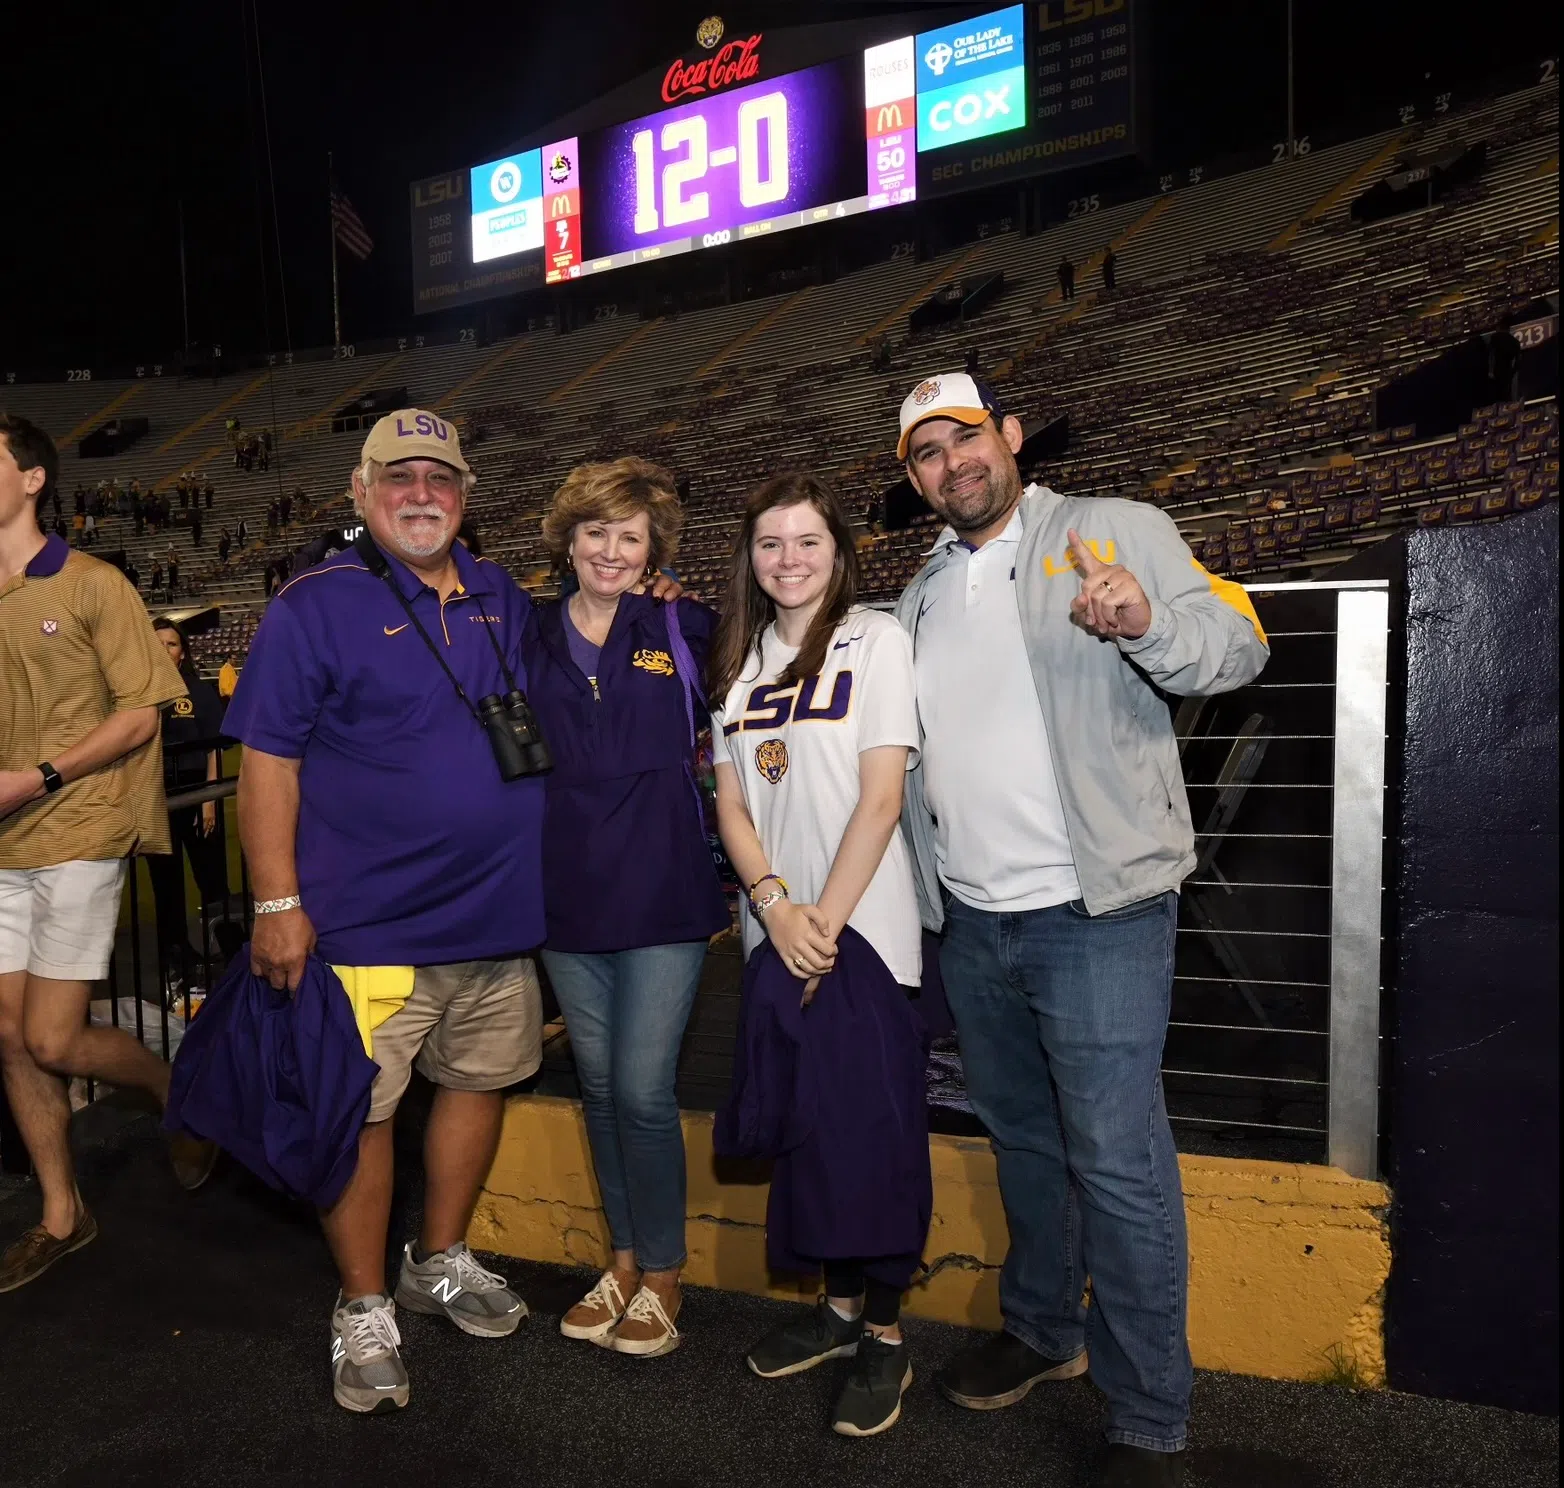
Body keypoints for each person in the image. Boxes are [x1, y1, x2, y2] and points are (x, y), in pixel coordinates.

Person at [891, 373, 1270, 1488]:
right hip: (973, 917)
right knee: (1025, 1144)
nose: (950, 465)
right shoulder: (917, 592)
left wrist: (1144, 619)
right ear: (912, 480)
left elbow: (1234, 647)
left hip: (1095, 912)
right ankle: (1044, 1328)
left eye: (963, 440)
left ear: (1007, 437)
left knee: (1117, 1161)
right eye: (924, 455)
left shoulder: (1114, 530)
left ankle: (1150, 1419)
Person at [224, 409, 544, 1414]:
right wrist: (277, 901)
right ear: (360, 494)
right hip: (369, 926)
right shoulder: (312, 604)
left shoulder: (500, 593)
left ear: (466, 496)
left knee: (477, 1085)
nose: (420, 494)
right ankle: (362, 1301)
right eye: (397, 478)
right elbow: (266, 759)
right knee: (360, 1116)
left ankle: (436, 1258)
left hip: (498, 918)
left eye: (439, 479)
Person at [709, 471, 929, 1438]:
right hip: (777, 934)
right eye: (770, 543)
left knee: (870, 1139)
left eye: (807, 541)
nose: (788, 559)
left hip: (862, 934)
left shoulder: (876, 640)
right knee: (810, 1135)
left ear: (838, 551)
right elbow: (731, 802)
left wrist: (823, 924)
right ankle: (838, 1316)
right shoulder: (738, 660)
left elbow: (881, 798)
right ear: (749, 558)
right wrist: (774, 906)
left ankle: (885, 1335)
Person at [0, 412, 216, 1294]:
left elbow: (141, 713)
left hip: (79, 825)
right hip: (3, 839)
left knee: (52, 1036)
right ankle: (63, 1212)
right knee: (9, 1036)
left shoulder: (92, 584)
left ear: (31, 480)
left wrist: (38, 776)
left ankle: (172, 1093)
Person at [524, 458, 728, 1359]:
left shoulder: (686, 623)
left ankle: (667, 1273)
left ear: (655, 550)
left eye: (630, 536)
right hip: (564, 892)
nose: (610, 550)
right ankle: (622, 1262)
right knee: (598, 1088)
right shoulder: (522, 632)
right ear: (569, 540)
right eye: (596, 532)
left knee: (642, 1091)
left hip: (664, 891)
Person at [147, 619, 228, 1002]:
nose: (166, 649)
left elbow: (214, 747)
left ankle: (230, 954)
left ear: (183, 652)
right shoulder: (137, 692)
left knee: (213, 881)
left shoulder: (199, 691)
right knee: (167, 888)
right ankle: (177, 960)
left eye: (173, 643)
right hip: (156, 798)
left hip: (197, 796)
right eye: (158, 642)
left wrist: (210, 799)